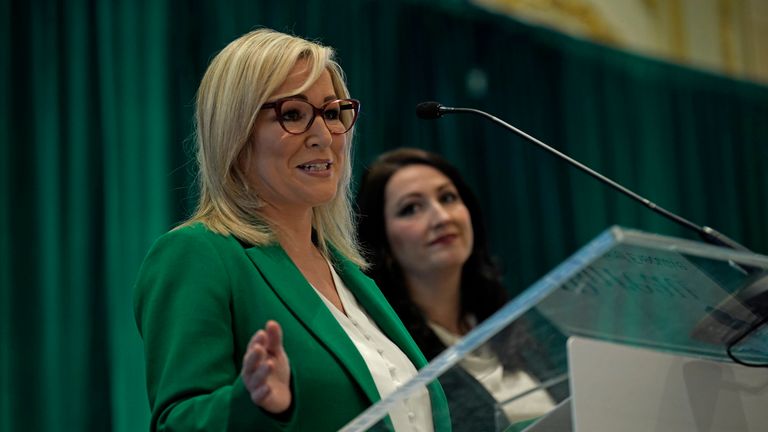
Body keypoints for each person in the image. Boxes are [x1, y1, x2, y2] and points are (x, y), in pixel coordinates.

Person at [133, 30, 450, 432]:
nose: (323, 136)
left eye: (333, 112)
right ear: (236, 132)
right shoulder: (198, 255)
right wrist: (253, 404)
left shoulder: (348, 272)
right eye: (293, 114)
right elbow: (178, 424)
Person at [356, 148, 567, 431]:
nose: (442, 217)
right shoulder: (393, 355)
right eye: (411, 208)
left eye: (447, 198)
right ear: (384, 246)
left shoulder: (520, 327)